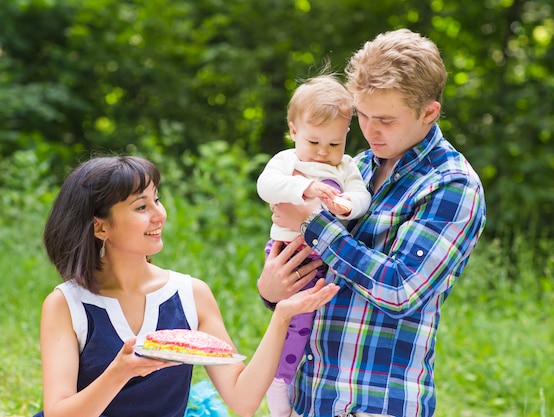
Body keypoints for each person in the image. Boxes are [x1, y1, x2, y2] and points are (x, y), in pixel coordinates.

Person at [257, 29, 487, 417]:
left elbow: (401, 291)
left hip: (373, 403)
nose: (369, 130)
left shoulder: (451, 185)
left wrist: (314, 221)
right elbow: (319, 273)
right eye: (361, 115)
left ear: (428, 112)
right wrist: (272, 288)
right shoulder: (357, 168)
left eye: (385, 119)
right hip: (310, 397)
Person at [32, 155, 339, 417]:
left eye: (157, 199)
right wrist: (120, 371)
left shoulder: (190, 294)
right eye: (141, 207)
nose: (159, 215)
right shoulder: (67, 304)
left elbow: (242, 400)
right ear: (101, 226)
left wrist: (282, 316)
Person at [256, 74, 371, 417]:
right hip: (288, 253)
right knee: (293, 324)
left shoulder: (347, 165)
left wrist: (348, 205)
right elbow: (267, 186)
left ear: (346, 136)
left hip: (326, 261)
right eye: (314, 141)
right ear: (293, 129)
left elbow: (361, 194)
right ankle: (278, 387)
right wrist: (304, 190)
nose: (323, 152)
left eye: (334, 144)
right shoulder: (287, 161)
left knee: (314, 327)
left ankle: (296, 388)